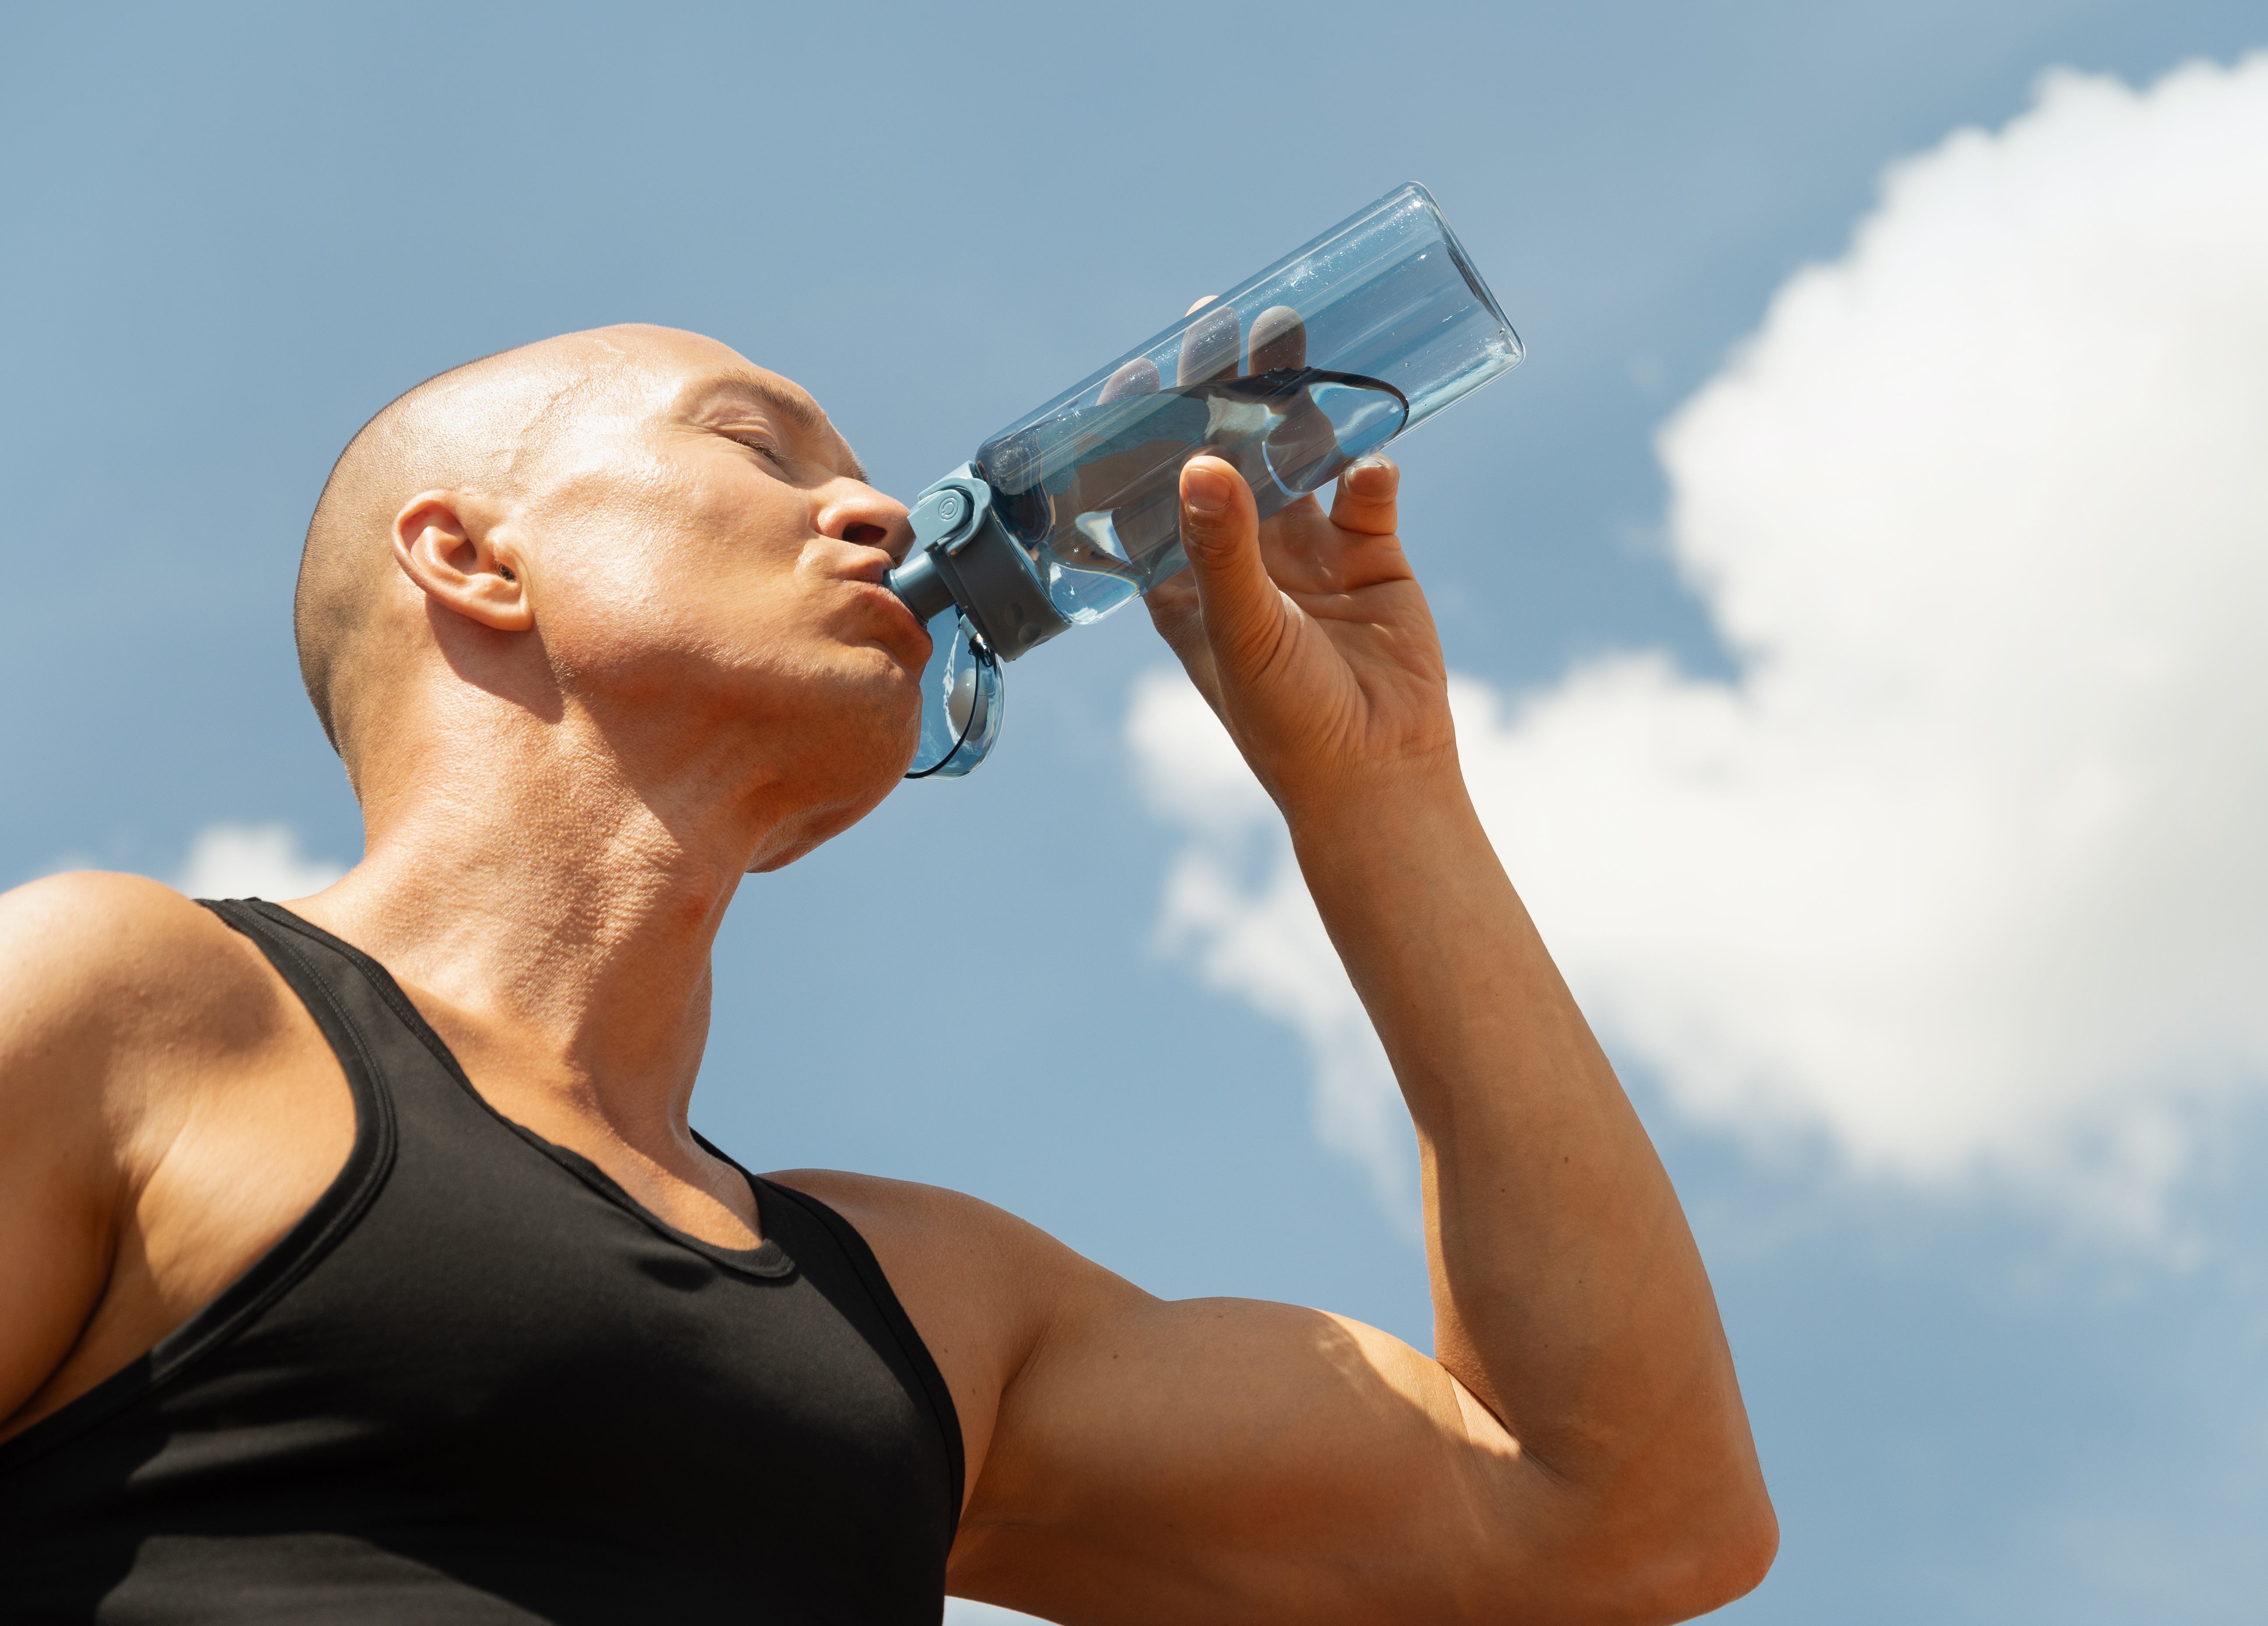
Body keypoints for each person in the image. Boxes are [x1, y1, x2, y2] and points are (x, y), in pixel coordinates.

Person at [0, 324, 1775, 1624]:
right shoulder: (134, 1007)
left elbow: (1620, 1520)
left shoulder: (925, 1311)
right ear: (471, 556)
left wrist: (1380, 791)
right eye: (761, 451)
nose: (876, 513)